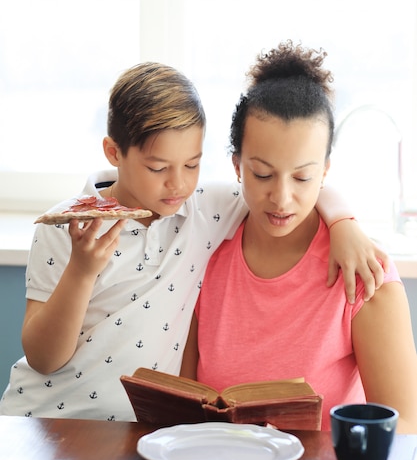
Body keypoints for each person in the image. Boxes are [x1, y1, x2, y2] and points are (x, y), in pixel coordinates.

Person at [0, 60, 388, 421]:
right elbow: (43, 358)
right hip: (43, 421)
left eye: (192, 164)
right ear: (114, 152)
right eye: (158, 168)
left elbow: (284, 185)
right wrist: (82, 273)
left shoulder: (205, 211)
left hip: (136, 433)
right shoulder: (67, 226)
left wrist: (344, 223)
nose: (178, 183)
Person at [180, 42, 417, 434]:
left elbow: (405, 425)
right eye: (262, 174)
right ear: (237, 166)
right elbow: (184, 411)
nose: (281, 198)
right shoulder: (207, 256)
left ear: (325, 172)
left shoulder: (363, 272)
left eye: (303, 177)